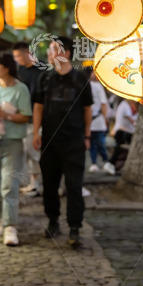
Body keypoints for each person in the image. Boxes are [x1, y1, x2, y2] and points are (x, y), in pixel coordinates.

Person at [32, 36, 93, 247]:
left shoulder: (80, 79)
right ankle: (53, 221)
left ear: (66, 53)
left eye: (53, 50)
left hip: (74, 141)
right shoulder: (45, 78)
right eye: (49, 51)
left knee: (74, 185)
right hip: (49, 140)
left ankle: (74, 227)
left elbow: (87, 110)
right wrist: (35, 132)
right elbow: (38, 106)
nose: (49, 55)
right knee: (49, 184)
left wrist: (87, 135)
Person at [0, 53, 32, 246]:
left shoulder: (21, 90)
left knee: (9, 183)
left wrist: (6, 115)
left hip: (12, 141)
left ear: (7, 67)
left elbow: (26, 116)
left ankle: (11, 226)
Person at [13, 41, 42, 196]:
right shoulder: (20, 70)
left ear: (27, 53)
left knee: (35, 150)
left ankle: (38, 183)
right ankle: (34, 183)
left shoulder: (41, 69)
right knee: (30, 151)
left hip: (39, 118)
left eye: (18, 55)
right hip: (25, 117)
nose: (17, 59)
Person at [102, 99, 138, 176]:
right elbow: (130, 118)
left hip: (127, 131)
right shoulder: (124, 105)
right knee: (119, 149)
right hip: (122, 131)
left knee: (122, 150)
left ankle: (114, 165)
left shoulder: (127, 105)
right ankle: (110, 163)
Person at [87, 69, 110, 173]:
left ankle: (95, 163)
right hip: (97, 120)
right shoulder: (97, 86)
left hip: (93, 120)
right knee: (99, 143)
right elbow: (103, 104)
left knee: (94, 143)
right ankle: (104, 162)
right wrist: (106, 119)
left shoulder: (86, 86)